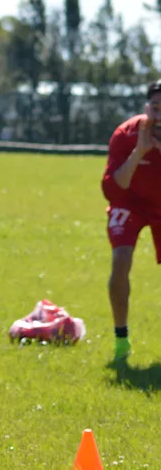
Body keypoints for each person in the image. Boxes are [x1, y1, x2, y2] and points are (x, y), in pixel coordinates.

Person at [101, 79, 161, 361]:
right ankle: (121, 339)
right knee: (120, 260)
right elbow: (112, 189)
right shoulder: (125, 133)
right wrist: (140, 150)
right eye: (157, 109)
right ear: (148, 108)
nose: (160, 117)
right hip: (130, 203)